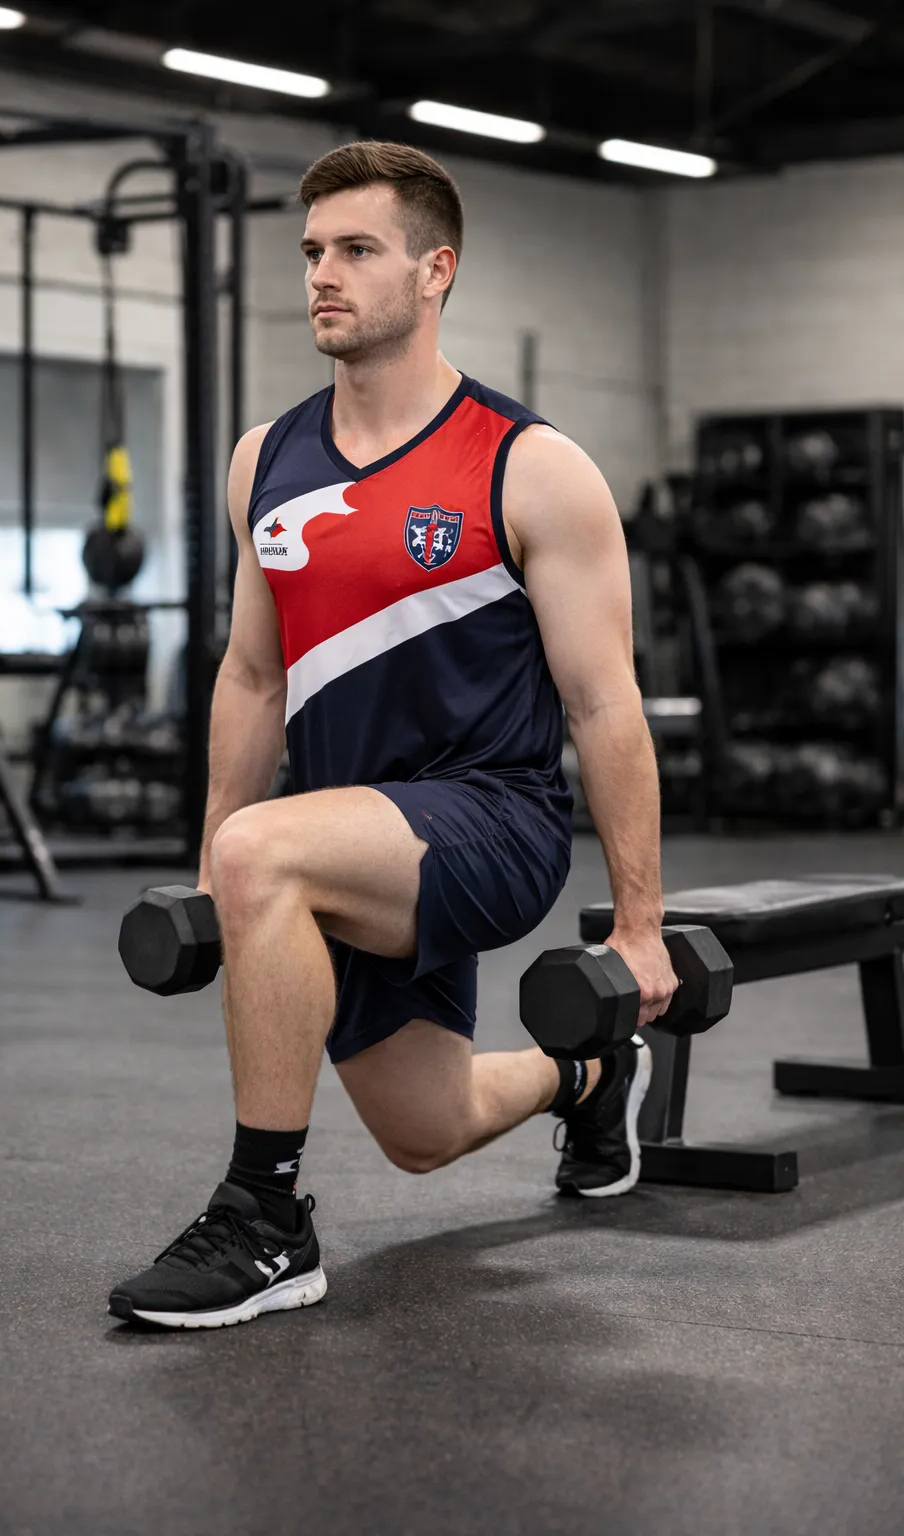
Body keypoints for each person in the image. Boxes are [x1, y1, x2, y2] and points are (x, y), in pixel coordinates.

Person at [109, 141, 678, 1330]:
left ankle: (264, 1221)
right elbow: (254, 674)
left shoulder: (530, 467)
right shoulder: (266, 458)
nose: (324, 273)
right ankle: (586, 1077)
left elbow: (602, 706)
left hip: (491, 821)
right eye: (313, 250)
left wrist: (636, 929)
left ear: (435, 271)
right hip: (348, 832)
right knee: (426, 1132)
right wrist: (216, 853)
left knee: (273, 853)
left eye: (357, 250)